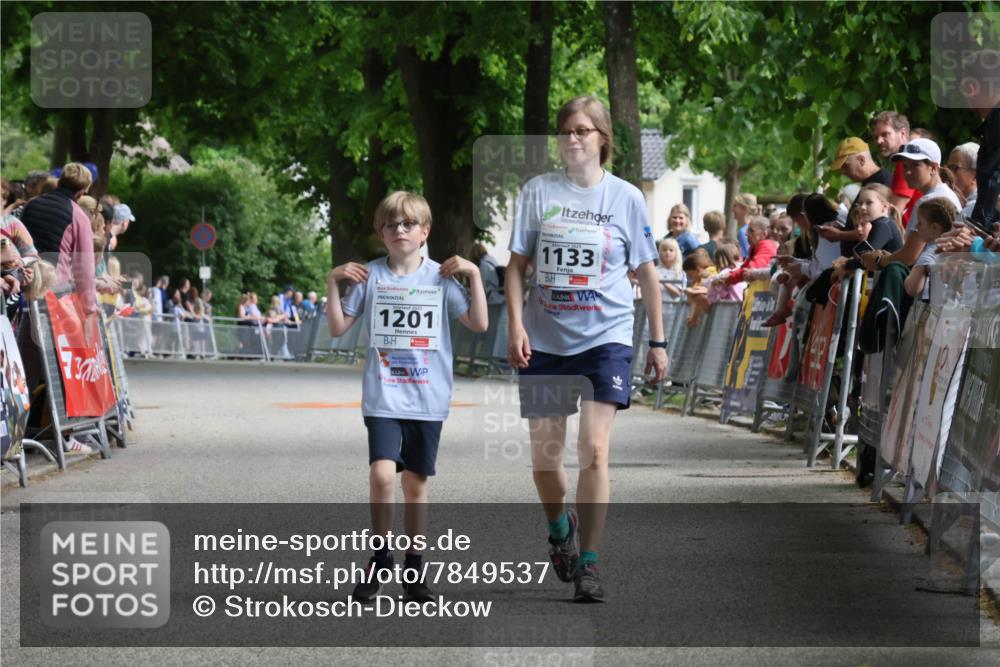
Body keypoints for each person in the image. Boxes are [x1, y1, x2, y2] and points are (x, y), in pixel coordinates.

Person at [506, 96, 668, 602]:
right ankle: (560, 530)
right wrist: (515, 325)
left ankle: (590, 564)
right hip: (547, 339)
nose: (572, 139)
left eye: (582, 130)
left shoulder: (626, 198)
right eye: (565, 131)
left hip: (606, 336)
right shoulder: (537, 192)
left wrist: (658, 342)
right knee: (544, 459)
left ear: (602, 138)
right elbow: (516, 267)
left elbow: (647, 273)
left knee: (594, 449)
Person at [326, 190, 487, 603]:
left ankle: (414, 569)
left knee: (415, 484)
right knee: (382, 475)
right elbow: (338, 327)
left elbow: (479, 323)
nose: (400, 230)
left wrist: (474, 275)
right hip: (384, 396)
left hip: (428, 397)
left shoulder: (440, 278)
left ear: (424, 231)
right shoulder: (371, 277)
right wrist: (333, 281)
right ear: (381, 234)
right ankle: (380, 556)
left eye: (408, 224)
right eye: (391, 224)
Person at [866, 139, 961, 271]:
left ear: (933, 168)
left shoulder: (930, 200)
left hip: (930, 283)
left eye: (915, 166)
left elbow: (909, 256)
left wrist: (879, 260)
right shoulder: (943, 194)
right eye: (905, 166)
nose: (908, 172)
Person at [830, 184, 903, 283]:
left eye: (869, 203)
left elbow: (865, 258)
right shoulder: (882, 224)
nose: (862, 207)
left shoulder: (882, 225)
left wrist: (844, 264)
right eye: (860, 203)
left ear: (884, 206)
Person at [869, 110, 919, 222]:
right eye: (875, 137)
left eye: (885, 134)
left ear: (903, 133)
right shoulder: (908, 161)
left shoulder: (906, 162)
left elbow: (894, 211)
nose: (879, 141)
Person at [904, 198, 957, 302]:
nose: (916, 226)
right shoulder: (954, 247)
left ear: (934, 228)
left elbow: (912, 288)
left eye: (920, 223)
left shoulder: (932, 251)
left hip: (931, 309)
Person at [946, 142, 979, 218]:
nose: (948, 173)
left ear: (975, 176)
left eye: (954, 168)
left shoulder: (974, 208)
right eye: (948, 168)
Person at [656, 238, 685, 302]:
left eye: (671, 250)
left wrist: (663, 282)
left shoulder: (680, 272)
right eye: (664, 250)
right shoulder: (655, 270)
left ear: (676, 253)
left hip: (673, 309)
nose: (667, 252)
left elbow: (678, 294)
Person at [732, 193, 757, 258]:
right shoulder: (754, 226)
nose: (732, 209)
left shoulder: (743, 232)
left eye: (735, 206)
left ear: (745, 208)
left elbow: (747, 256)